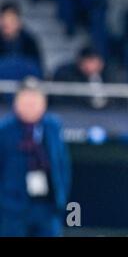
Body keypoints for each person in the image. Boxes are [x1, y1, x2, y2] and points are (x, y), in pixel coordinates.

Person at [0, 78, 71, 236]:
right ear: (16, 103)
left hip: (47, 205)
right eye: (26, 102)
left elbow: (62, 164)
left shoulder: (52, 126)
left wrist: (61, 196)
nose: (30, 107)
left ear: (43, 103)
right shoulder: (4, 130)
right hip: (13, 208)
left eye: (35, 102)